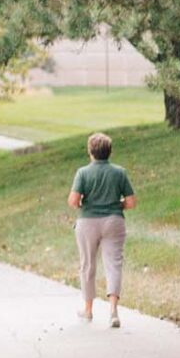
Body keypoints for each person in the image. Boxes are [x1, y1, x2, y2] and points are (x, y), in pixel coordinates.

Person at [69, 132, 136, 327]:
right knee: (114, 264)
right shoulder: (119, 172)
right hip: (114, 221)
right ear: (110, 152)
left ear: (90, 152)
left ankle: (88, 309)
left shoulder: (83, 173)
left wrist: (84, 204)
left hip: (88, 222)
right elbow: (131, 202)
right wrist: (117, 205)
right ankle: (113, 310)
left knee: (88, 265)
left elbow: (73, 200)